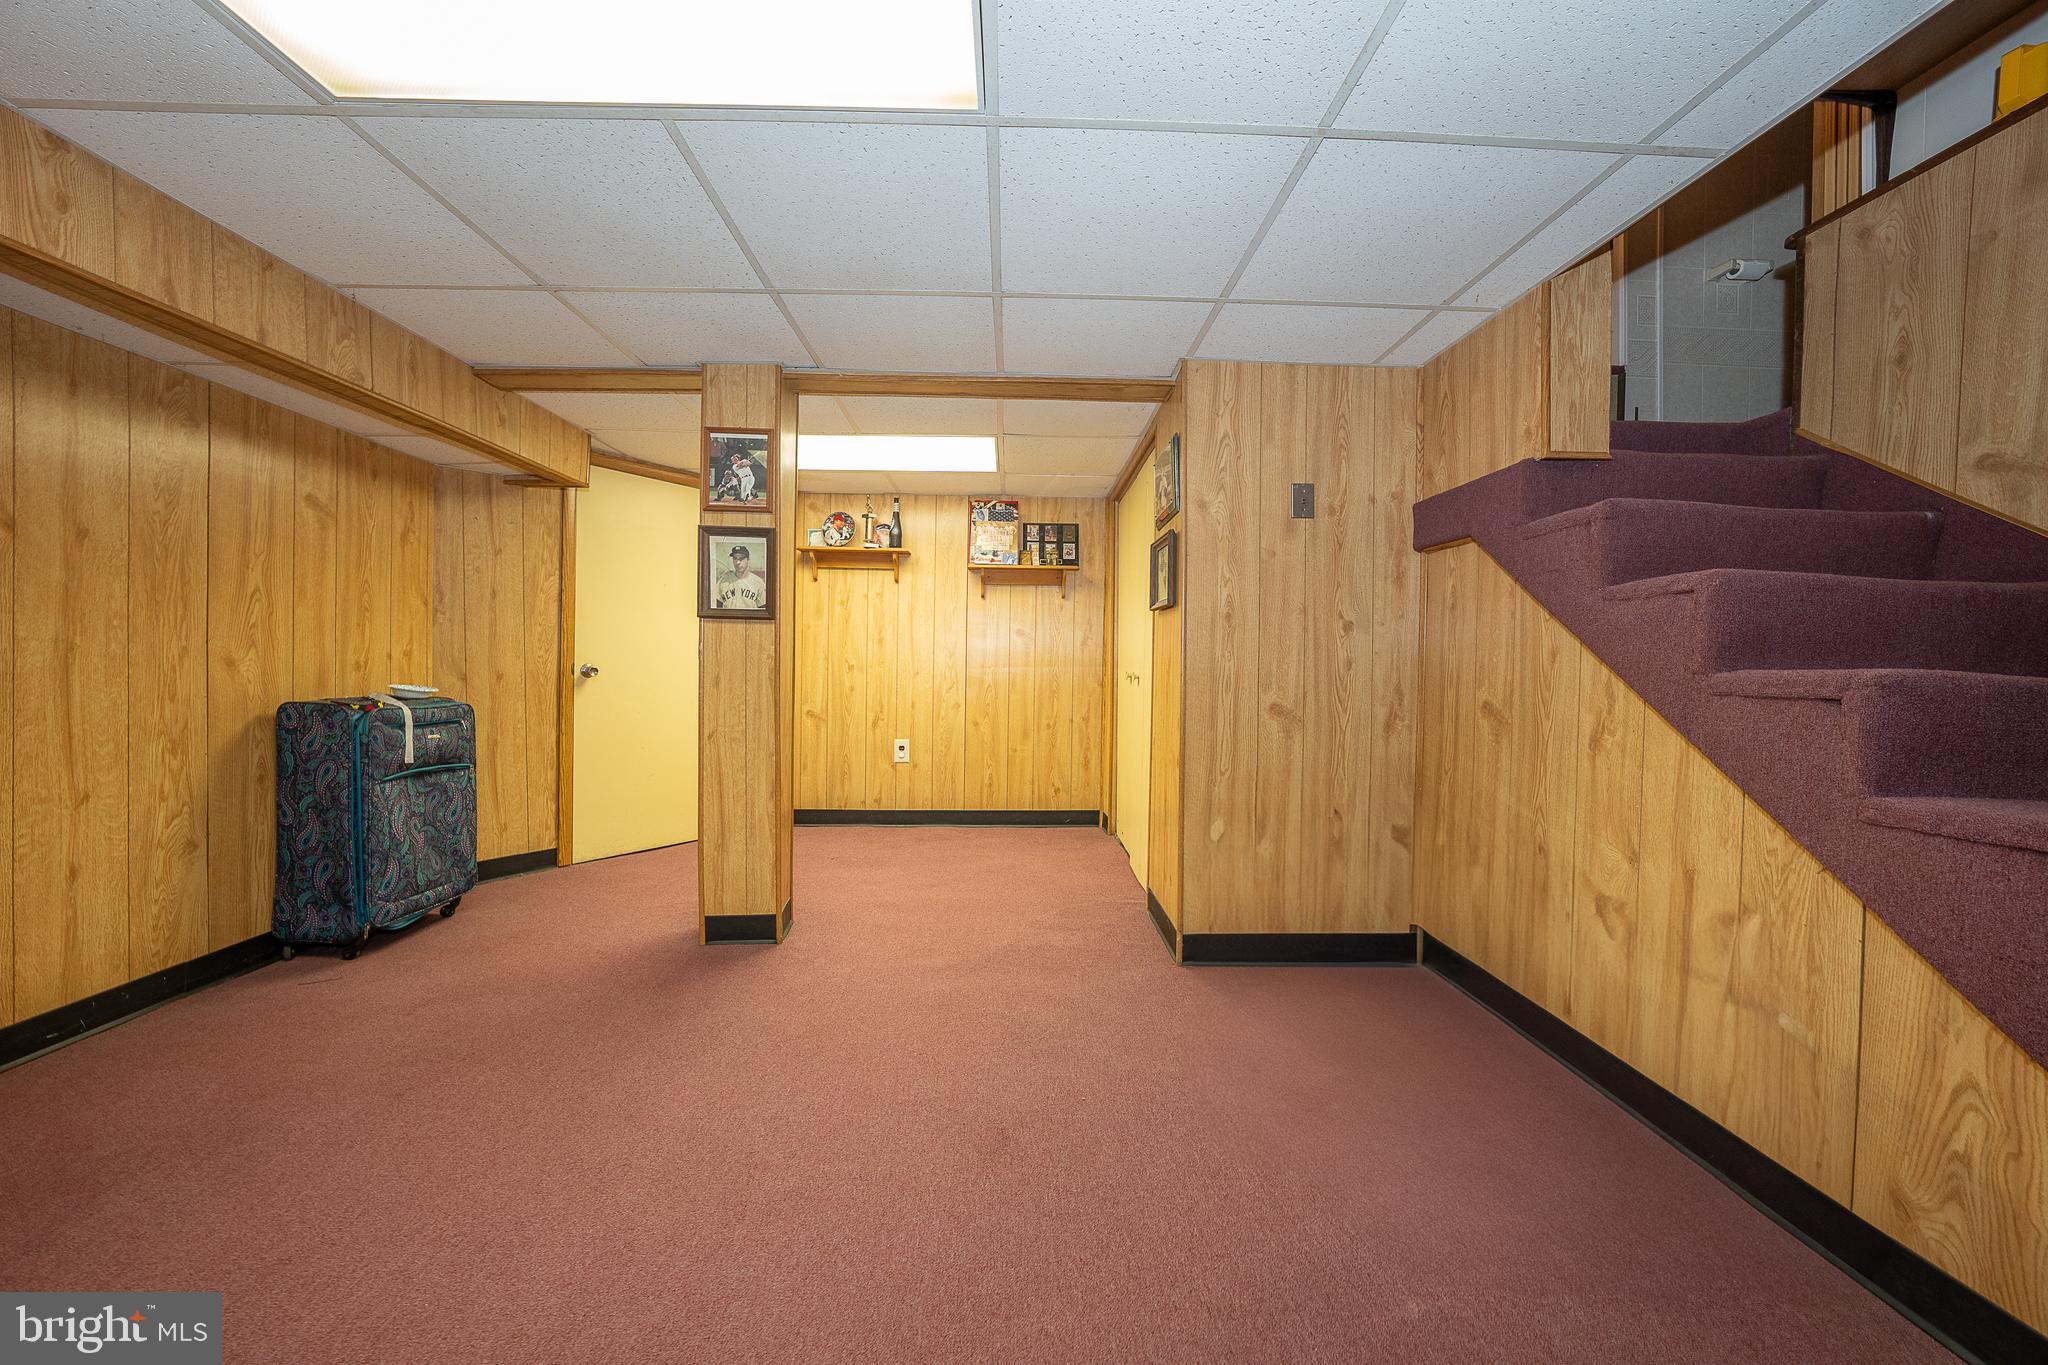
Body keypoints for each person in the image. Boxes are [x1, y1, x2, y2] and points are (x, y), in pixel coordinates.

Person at [714, 543, 768, 611]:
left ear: (748, 559)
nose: (738, 562)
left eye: (741, 558)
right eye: (735, 558)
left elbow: (763, 608)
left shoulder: (758, 582)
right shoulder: (724, 580)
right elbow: (717, 605)